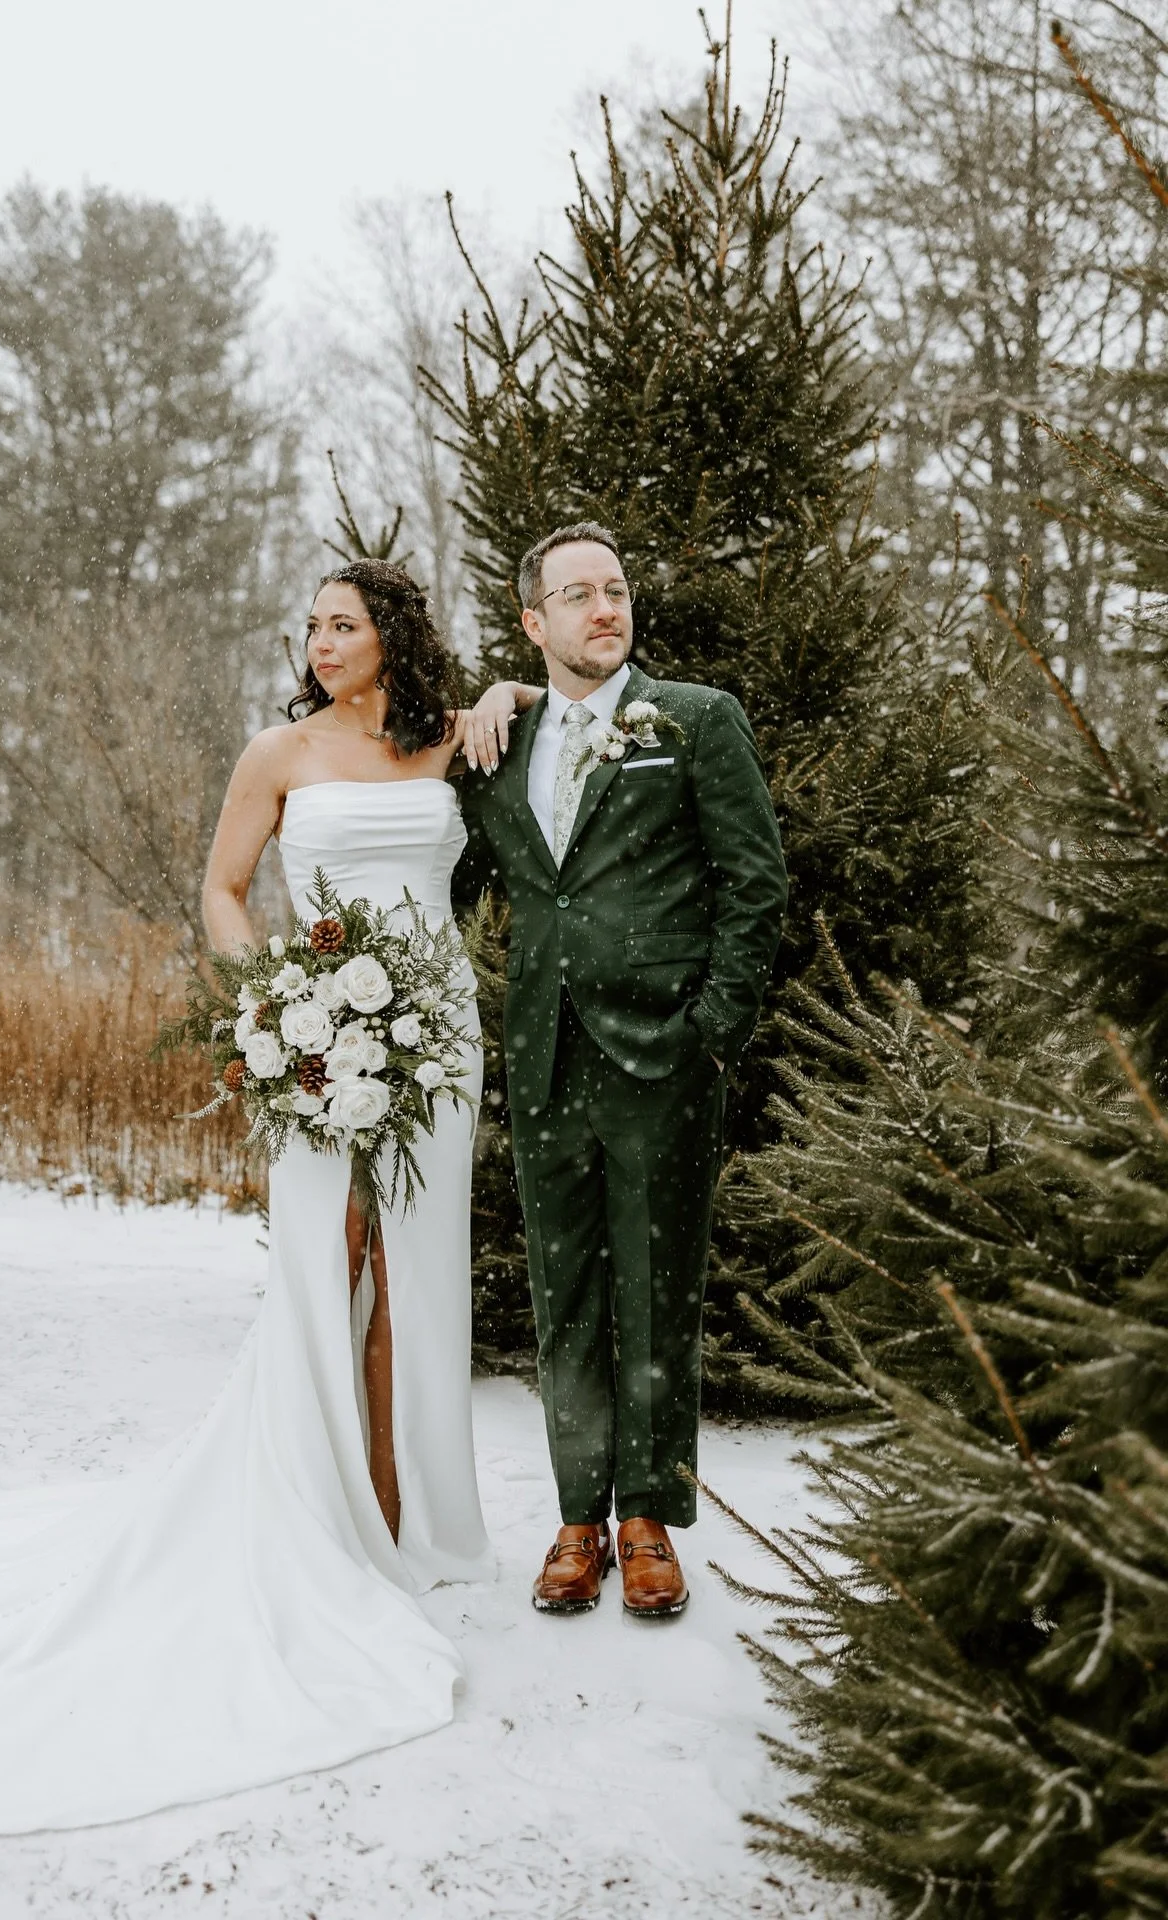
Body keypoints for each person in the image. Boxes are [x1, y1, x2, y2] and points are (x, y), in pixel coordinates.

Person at [0, 558, 492, 1850]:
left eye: (344, 625)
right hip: (318, 1035)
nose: (320, 642)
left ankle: (422, 1512)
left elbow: (543, 720)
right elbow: (221, 890)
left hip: (444, 1032)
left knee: (419, 1264)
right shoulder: (277, 749)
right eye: (310, 625)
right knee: (320, 1263)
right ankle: (321, 1513)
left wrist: (514, 681)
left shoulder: (452, 742)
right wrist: (275, 1003)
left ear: (394, 637)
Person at [455, 521, 788, 1620]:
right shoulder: (499, 743)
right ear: (533, 621)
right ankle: (575, 1518)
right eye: (578, 595)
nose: (606, 609)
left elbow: (756, 884)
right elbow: (460, 875)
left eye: (617, 589)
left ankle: (647, 1518)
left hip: (663, 1059)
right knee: (567, 1292)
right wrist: (493, 698)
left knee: (657, 1289)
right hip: (545, 1054)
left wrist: (713, 1031)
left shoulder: (694, 722)